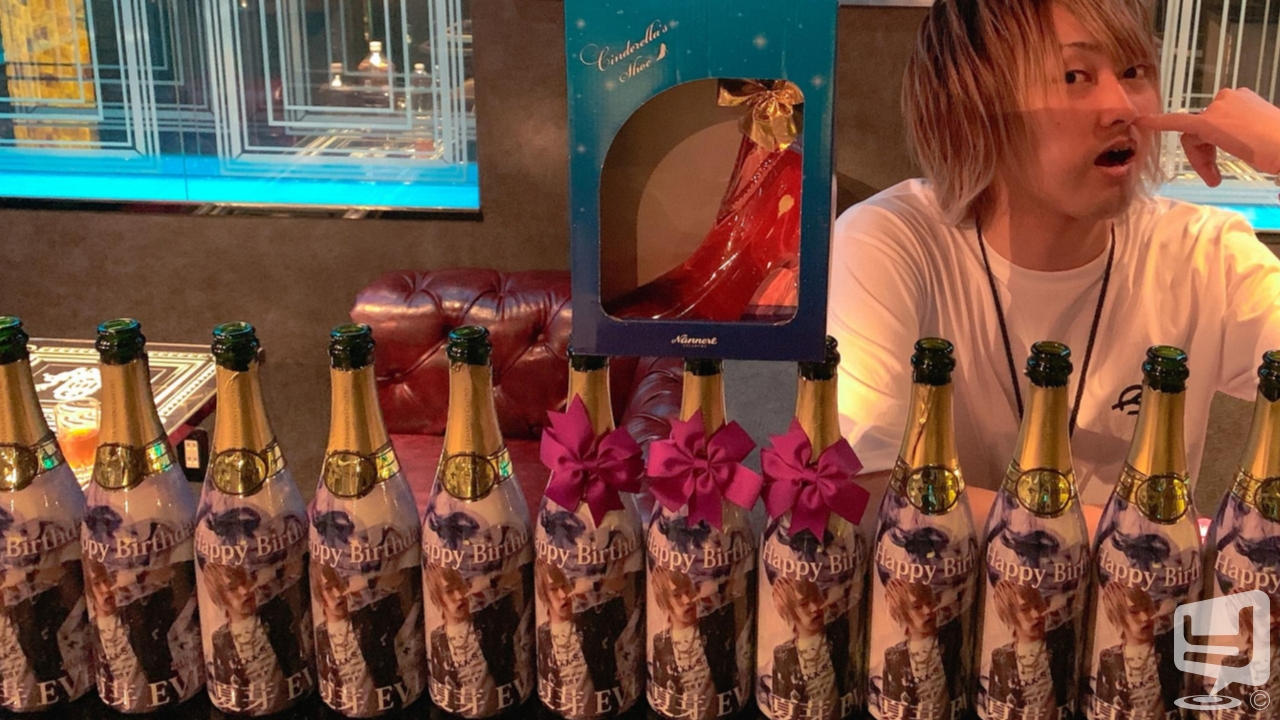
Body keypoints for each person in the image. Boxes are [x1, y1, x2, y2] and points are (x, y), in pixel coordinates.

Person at [830, 0, 1280, 509]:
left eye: (1134, 72)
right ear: (974, 107)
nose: (1122, 108)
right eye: (1074, 76)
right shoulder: (890, 242)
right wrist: (1149, 539)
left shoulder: (1204, 253)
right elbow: (866, 487)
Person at [425, 563, 524, 715]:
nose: (459, 596)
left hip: (503, 709)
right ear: (438, 597)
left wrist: (489, 582)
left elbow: (517, 579)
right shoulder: (437, 639)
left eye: (461, 586)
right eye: (449, 591)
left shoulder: (488, 620)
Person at [648, 563, 737, 720]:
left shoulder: (712, 626)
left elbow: (736, 587)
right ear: (665, 602)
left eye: (688, 591)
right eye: (676, 595)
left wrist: (714, 588)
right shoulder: (660, 642)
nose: (687, 600)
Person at [769, 576, 850, 719]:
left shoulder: (840, 632)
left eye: (816, 598)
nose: (815, 608)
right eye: (804, 604)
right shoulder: (783, 654)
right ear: (788, 611)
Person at [1093, 582, 1166, 719]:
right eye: (1134, 612)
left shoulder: (1166, 649)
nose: (1145, 617)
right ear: (1118, 617)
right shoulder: (1109, 658)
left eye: (1147, 608)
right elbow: (1103, 706)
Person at [881, 578, 949, 720]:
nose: (928, 610)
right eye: (917, 607)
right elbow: (890, 701)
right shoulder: (894, 656)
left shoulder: (951, 638)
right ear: (901, 613)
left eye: (929, 602)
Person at [986, 581, 1055, 720]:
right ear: (1010, 615)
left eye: (1038, 606)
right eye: (1025, 609)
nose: (1036, 614)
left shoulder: (1059, 646)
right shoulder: (1001, 657)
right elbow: (995, 704)